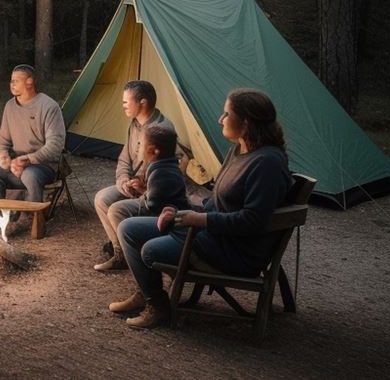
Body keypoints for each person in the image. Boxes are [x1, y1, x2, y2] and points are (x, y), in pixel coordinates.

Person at [108, 88, 293, 329]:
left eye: (226, 114)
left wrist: (200, 220)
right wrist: (180, 210)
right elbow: (218, 202)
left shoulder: (266, 163)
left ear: (246, 124)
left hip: (232, 249)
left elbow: (253, 220)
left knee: (149, 250)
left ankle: (157, 305)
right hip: (213, 234)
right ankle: (149, 294)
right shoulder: (240, 152)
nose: (220, 119)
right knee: (128, 228)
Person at [93, 80, 183, 270]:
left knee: (116, 209)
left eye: (126, 101)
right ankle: (121, 254)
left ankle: (132, 253)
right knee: (102, 198)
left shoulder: (162, 129)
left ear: (142, 102)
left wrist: (142, 185)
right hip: (133, 185)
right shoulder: (134, 125)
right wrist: (123, 181)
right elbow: (124, 159)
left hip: (151, 191)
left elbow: (164, 171)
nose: (123, 105)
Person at [0, 64, 66, 230]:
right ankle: (3, 218)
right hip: (15, 164)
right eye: (11, 81)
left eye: (16, 81)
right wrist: (2, 155)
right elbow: (2, 142)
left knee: (29, 175)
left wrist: (29, 159)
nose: (11, 84)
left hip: (43, 166)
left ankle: (34, 220)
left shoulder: (49, 106)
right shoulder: (10, 106)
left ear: (29, 82)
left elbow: (55, 145)